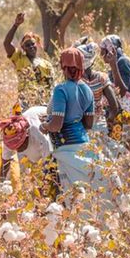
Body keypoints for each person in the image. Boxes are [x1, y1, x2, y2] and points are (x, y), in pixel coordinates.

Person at [40, 48, 102, 195]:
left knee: (67, 194)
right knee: (87, 193)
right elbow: (88, 124)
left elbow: (57, 125)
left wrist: (45, 125)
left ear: (63, 66)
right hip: (84, 145)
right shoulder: (87, 90)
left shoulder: (60, 89)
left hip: (66, 148)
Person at [3, 13, 54, 107]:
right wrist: (16, 25)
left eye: (32, 44)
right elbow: (6, 43)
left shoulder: (46, 64)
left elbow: (51, 85)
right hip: (25, 102)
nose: (31, 47)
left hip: (43, 103)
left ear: (37, 44)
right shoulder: (19, 59)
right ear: (23, 48)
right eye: (27, 45)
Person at [0, 106, 56, 186]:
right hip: (36, 145)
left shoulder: (38, 132)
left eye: (20, 147)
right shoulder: (10, 138)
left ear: (26, 136)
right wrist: (1, 182)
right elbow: (5, 162)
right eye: (16, 148)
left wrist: (45, 183)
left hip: (55, 135)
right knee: (24, 177)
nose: (19, 150)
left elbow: (50, 161)